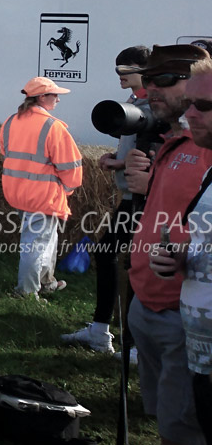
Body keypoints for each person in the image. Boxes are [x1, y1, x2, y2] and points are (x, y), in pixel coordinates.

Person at [126, 43, 212, 445]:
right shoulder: (176, 142)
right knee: (163, 417)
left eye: (163, 80)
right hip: (147, 304)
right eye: (147, 80)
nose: (150, 89)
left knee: (183, 429)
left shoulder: (206, 146)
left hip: (185, 315)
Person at [63, 45, 154, 354]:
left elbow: (165, 155)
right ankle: (102, 332)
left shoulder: (157, 106)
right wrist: (118, 156)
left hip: (149, 199)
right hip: (131, 195)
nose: (119, 77)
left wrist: (122, 163)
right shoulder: (135, 102)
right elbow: (139, 146)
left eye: (124, 70)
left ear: (145, 70)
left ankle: (136, 343)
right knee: (107, 254)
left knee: (138, 262)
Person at [150, 68, 212, 440]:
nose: (190, 114)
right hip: (201, 353)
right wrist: (181, 259)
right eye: (189, 103)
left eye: (203, 106)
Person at [0, 76, 84, 297]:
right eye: (54, 95)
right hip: (42, 196)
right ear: (42, 97)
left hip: (18, 193)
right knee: (36, 246)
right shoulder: (52, 127)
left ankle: (46, 282)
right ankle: (26, 293)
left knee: (46, 241)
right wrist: (68, 188)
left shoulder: (11, 122)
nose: (58, 99)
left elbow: (7, 153)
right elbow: (71, 168)